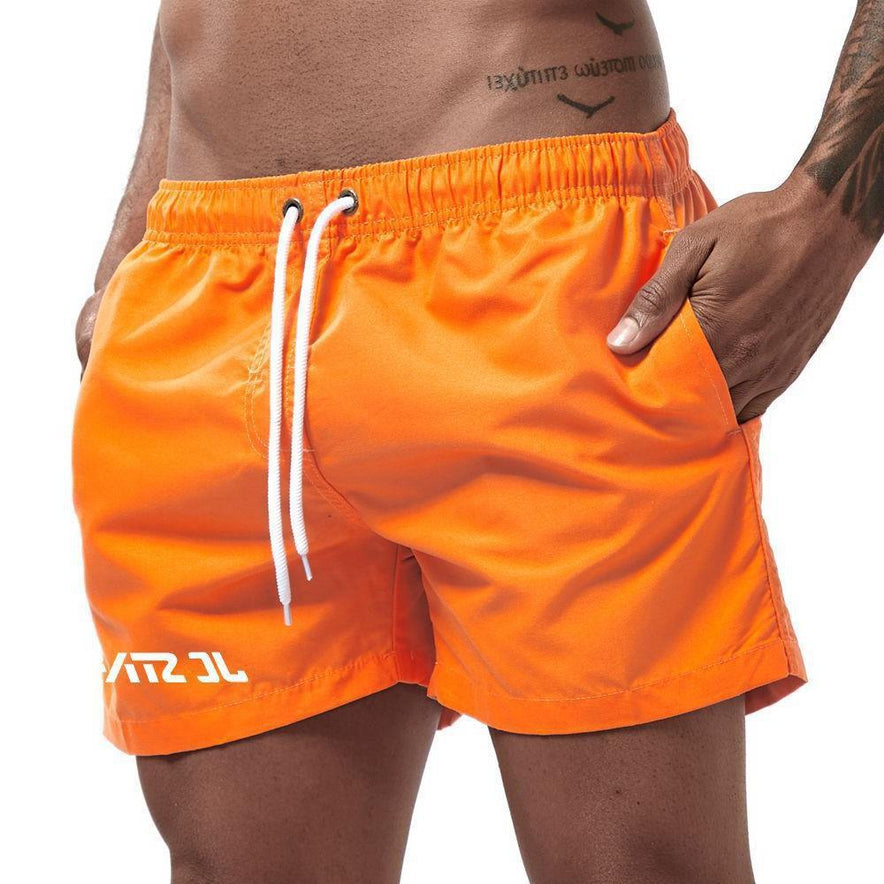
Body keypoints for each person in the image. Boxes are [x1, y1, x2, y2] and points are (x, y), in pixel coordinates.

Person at [72, 2, 882, 882]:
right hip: (201, 295)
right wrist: (138, 226)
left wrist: (830, 215)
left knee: (636, 868)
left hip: (539, 269)